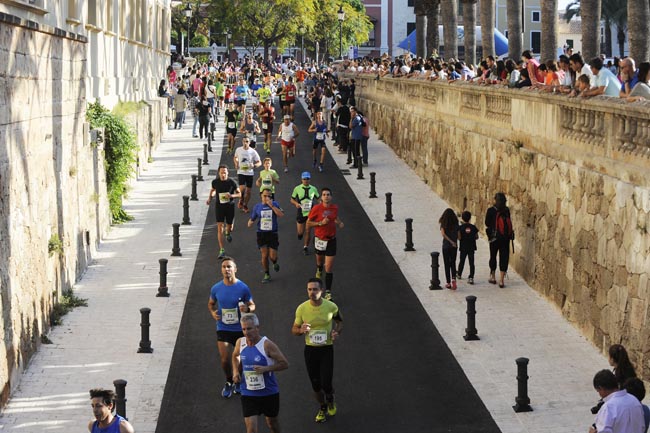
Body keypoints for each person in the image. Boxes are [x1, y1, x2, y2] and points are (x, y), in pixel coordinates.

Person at [291, 278, 343, 423]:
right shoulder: (302, 308)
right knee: (316, 385)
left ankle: (330, 399)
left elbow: (339, 321)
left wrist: (336, 332)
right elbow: (294, 329)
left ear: (321, 291)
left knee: (326, 383)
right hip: (310, 350)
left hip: (326, 349)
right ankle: (322, 407)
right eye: (309, 289)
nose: (312, 292)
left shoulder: (331, 306)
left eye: (315, 289)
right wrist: (300, 330)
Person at [232, 313, 289, 433]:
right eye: (243, 329)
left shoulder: (267, 345)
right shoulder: (240, 342)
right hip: (248, 392)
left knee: (272, 423)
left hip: (268, 392)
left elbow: (284, 364)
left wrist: (266, 369)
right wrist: (236, 371)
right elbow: (235, 356)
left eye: (249, 328)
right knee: (251, 430)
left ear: (257, 328)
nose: (246, 332)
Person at [208, 257, 256, 398]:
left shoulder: (243, 287)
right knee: (224, 359)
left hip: (240, 329)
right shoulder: (216, 288)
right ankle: (229, 381)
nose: (226, 269)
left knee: (239, 358)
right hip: (223, 327)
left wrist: (247, 309)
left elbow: (252, 305)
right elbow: (211, 304)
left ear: (235, 269)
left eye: (229, 266)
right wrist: (213, 313)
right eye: (224, 267)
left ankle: (238, 380)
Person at [306, 187, 344, 299]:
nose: (326, 196)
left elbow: (335, 217)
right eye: (324, 194)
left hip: (331, 240)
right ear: (321, 197)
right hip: (320, 239)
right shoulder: (316, 209)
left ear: (331, 197)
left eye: (328, 194)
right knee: (320, 261)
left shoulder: (334, 208)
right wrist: (320, 223)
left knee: (329, 267)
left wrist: (340, 222)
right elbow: (308, 223)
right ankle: (319, 268)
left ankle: (328, 292)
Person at [248, 191, 284, 283]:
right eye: (265, 196)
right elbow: (253, 218)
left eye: (269, 196)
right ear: (261, 196)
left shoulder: (275, 204)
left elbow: (281, 215)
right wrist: (250, 222)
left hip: (272, 233)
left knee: (272, 256)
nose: (267, 198)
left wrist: (272, 206)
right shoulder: (257, 207)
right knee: (264, 255)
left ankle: (275, 262)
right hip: (261, 233)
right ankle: (267, 274)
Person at [207, 165, 241, 259]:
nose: (223, 174)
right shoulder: (215, 182)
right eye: (221, 172)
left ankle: (228, 232)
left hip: (229, 207)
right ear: (219, 173)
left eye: (225, 172)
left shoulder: (232, 182)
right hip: (219, 207)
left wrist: (232, 196)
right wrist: (210, 197)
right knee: (220, 227)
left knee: (230, 226)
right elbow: (213, 190)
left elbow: (239, 193)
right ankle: (222, 249)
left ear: (227, 173)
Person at [485, 192, 514, 288]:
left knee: (493, 256)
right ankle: (501, 280)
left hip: (494, 237)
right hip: (505, 238)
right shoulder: (506, 210)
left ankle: (493, 277)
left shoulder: (491, 210)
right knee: (504, 257)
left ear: (495, 200)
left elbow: (487, 223)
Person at [290, 172, 320, 255]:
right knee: (300, 232)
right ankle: (300, 234)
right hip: (301, 212)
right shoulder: (297, 188)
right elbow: (292, 199)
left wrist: (321, 206)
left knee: (308, 231)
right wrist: (296, 203)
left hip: (311, 213)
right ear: (301, 179)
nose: (306, 180)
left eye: (307, 179)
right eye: (304, 179)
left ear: (310, 179)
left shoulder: (313, 188)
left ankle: (305, 247)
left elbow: (318, 199)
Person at [234, 137, 262, 213]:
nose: (245, 143)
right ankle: (241, 199)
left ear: (249, 143)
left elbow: (259, 162)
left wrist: (254, 166)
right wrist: (236, 164)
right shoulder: (238, 150)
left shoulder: (253, 151)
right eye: (244, 141)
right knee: (242, 188)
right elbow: (235, 157)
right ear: (242, 142)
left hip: (249, 173)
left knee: (248, 191)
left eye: (247, 141)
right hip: (241, 172)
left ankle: (245, 205)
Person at [439, 208, 459, 290]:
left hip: (446, 246)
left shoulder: (443, 224)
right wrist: (454, 241)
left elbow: (443, 234)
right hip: (454, 246)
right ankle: (453, 278)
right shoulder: (456, 224)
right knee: (453, 262)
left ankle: (448, 283)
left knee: (447, 264)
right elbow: (459, 236)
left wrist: (450, 241)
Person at [457, 210, 478, 285]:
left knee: (462, 261)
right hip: (471, 247)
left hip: (463, 247)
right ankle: (471, 277)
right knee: (471, 263)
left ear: (462, 218)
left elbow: (459, 238)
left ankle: (459, 274)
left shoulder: (460, 227)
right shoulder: (473, 227)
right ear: (469, 218)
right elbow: (477, 237)